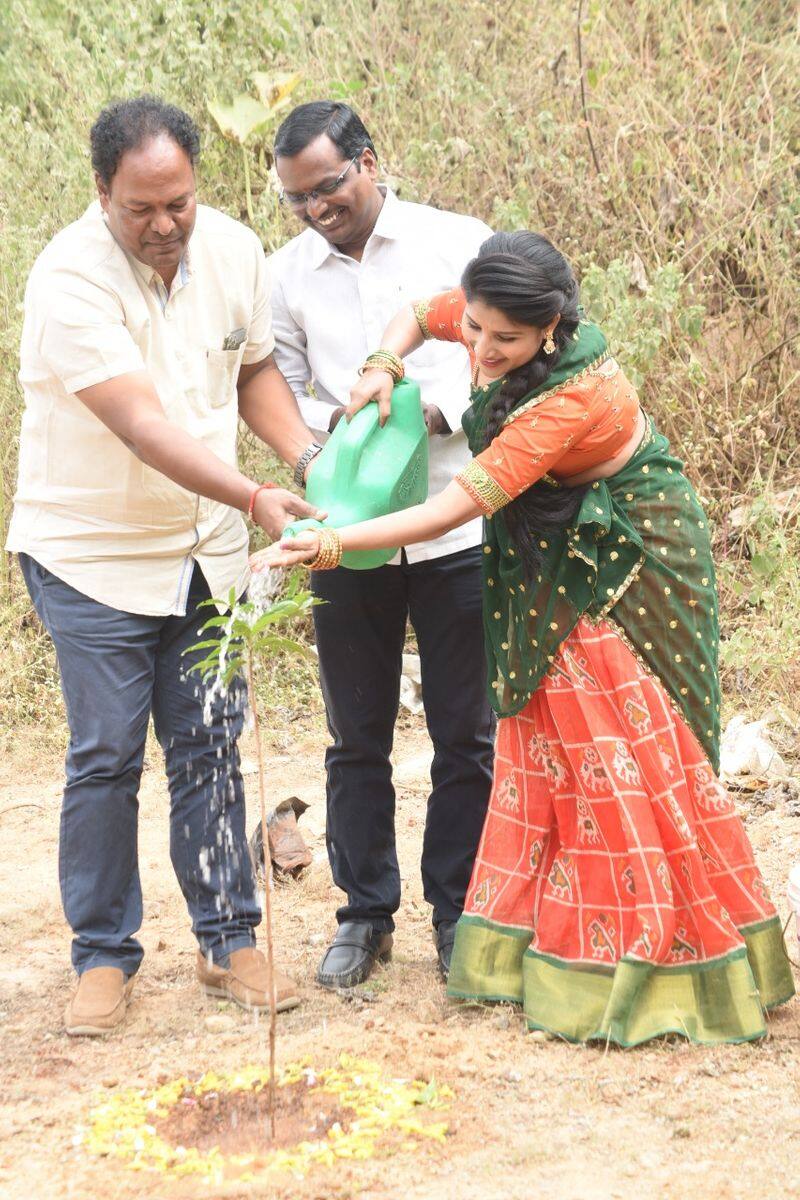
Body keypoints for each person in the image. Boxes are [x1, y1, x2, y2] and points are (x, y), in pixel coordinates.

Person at [254, 231, 795, 1045]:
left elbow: (452, 509)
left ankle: (653, 951)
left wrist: (331, 544)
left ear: (553, 328)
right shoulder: (487, 320)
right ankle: (548, 927)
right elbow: (412, 313)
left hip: (622, 554)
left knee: (622, 735)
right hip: (559, 540)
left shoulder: (568, 400)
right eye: (474, 328)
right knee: (551, 737)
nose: (481, 348)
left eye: (504, 339)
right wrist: (383, 365)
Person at [5, 96, 325, 1036]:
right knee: (105, 757)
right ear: (100, 192)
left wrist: (305, 459)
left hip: (207, 557)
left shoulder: (232, 250)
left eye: (178, 202)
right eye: (140, 208)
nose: (164, 225)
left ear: (199, 183)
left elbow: (255, 367)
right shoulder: (68, 278)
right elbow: (143, 425)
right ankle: (102, 957)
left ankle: (229, 940)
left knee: (210, 744)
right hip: (92, 555)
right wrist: (252, 495)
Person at [268, 101, 496, 986]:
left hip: (457, 520)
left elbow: (504, 355)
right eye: (298, 201)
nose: (317, 210)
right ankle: (365, 916)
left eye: (328, 188)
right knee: (353, 734)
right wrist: (334, 441)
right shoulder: (285, 275)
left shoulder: (455, 240)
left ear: (369, 160)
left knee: (464, 734)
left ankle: (458, 913)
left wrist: (431, 415)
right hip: (347, 537)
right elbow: (281, 381)